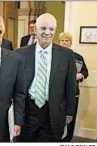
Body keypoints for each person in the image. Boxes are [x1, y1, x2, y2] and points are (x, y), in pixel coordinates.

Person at [16, 13, 76, 142]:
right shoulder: (21, 53)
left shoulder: (66, 55)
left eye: (51, 29)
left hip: (53, 112)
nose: (47, 32)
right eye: (43, 28)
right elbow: (15, 87)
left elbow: (71, 86)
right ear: (35, 30)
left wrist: (70, 112)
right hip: (28, 111)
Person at [59, 32, 89, 142]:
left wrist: (80, 75)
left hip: (73, 93)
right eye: (62, 40)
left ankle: (68, 139)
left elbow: (85, 72)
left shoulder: (78, 57)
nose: (64, 42)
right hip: (58, 94)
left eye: (67, 40)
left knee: (71, 117)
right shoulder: (54, 56)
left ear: (70, 43)